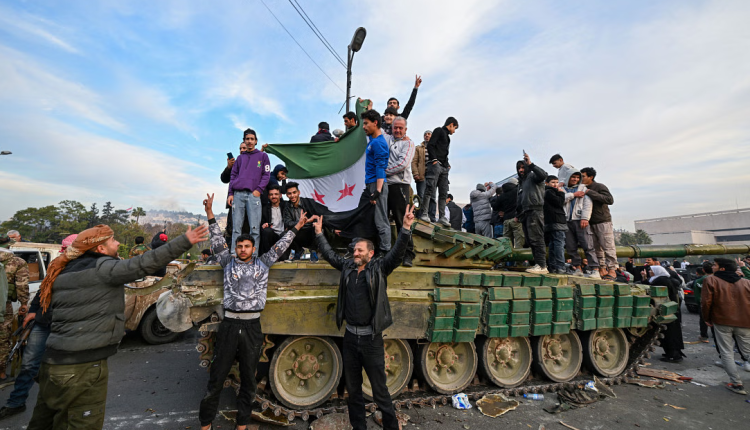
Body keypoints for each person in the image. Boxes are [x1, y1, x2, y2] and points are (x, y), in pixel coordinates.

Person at [26, 223, 206, 429]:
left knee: (43, 423)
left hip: (52, 364)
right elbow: (144, 263)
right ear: (100, 248)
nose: (118, 243)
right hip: (82, 367)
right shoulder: (102, 268)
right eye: (112, 240)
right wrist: (185, 241)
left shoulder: (64, 271)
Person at [198, 194, 307, 430]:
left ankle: (242, 425)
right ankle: (205, 424)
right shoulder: (227, 262)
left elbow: (281, 245)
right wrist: (210, 213)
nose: (243, 249)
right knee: (217, 377)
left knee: (249, 379)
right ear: (235, 248)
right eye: (239, 246)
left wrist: (297, 226)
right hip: (230, 325)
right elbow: (217, 239)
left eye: (247, 246)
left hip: (252, 326)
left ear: (253, 248)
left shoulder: (263, 263)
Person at [313, 205, 415, 430]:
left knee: (380, 391)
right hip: (350, 338)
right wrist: (319, 233)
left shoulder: (380, 268)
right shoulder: (348, 267)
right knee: (354, 390)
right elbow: (330, 255)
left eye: (360, 250)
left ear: (371, 253)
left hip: (371, 340)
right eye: (355, 250)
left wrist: (406, 228)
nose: (355, 253)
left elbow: (397, 254)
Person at [0, 234, 68, 420]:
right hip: (43, 320)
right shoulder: (56, 266)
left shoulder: (91, 270)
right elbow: (42, 290)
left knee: (61, 367)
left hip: (66, 325)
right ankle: (16, 401)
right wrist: (32, 310)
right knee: (29, 363)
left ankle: (59, 405)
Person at [702, 258, 750, 395]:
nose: (713, 267)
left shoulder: (711, 280)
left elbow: (706, 302)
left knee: (727, 352)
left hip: (722, 320)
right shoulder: (746, 282)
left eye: (715, 265)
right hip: (744, 321)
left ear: (722, 268)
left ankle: (736, 384)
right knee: (747, 352)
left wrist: (707, 318)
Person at [229, 128, 271, 252]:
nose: (249, 141)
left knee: (255, 229)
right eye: (247, 139)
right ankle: (234, 253)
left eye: (252, 139)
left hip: (254, 195)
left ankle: (253, 255)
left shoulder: (263, 156)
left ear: (256, 141)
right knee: (236, 228)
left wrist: (258, 190)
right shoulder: (239, 158)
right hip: (238, 194)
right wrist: (231, 193)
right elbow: (233, 176)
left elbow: (266, 175)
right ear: (244, 141)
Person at [385, 116, 416, 266]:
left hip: (400, 185)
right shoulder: (387, 139)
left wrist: (382, 172)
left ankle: (407, 254)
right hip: (385, 185)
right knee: (382, 218)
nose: (397, 130)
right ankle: (383, 251)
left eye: (400, 128)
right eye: (395, 127)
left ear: (405, 129)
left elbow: (402, 164)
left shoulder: (408, 143)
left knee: (402, 220)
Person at [640, 265, 685, 363]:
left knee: (670, 334)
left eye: (651, 270)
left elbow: (650, 288)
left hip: (667, 311)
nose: (650, 272)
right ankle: (671, 353)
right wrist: (644, 278)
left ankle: (674, 355)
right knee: (669, 333)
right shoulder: (662, 279)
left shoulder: (661, 280)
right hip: (669, 310)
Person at [0, 234, 29, 382]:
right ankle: (1, 373)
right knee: (3, 339)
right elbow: (21, 285)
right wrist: (24, 303)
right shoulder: (17, 262)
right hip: (4, 306)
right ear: (9, 244)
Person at [420, 117, 459, 227]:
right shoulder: (439, 130)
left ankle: (442, 217)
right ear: (451, 124)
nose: (454, 131)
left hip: (444, 167)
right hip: (435, 165)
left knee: (443, 192)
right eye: (454, 128)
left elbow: (444, 152)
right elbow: (431, 145)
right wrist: (434, 160)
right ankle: (424, 214)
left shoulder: (447, 138)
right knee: (429, 189)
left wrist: (447, 164)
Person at [361, 109, 391, 255]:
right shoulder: (372, 140)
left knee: (381, 220)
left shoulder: (379, 143)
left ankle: (385, 252)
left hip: (377, 185)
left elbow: (381, 167)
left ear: (375, 123)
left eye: (366, 123)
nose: (363, 127)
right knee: (370, 220)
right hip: (370, 184)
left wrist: (378, 191)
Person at [580, 167, 617, 280]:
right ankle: (602, 268)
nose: (581, 178)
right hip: (589, 222)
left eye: (583, 176)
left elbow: (609, 200)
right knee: (596, 248)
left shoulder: (599, 186)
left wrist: (590, 193)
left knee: (608, 246)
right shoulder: (581, 188)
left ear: (590, 177)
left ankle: (612, 269)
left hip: (602, 221)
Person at [562, 170, 600, 278]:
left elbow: (588, 204)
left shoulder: (583, 188)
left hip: (580, 220)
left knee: (588, 245)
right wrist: (573, 195)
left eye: (577, 177)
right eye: (573, 177)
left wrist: (585, 218)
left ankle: (595, 269)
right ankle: (577, 268)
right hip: (566, 221)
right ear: (568, 177)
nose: (575, 179)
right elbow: (560, 200)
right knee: (570, 246)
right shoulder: (562, 189)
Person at [516, 152, 548, 274]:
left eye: (523, 167)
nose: (521, 170)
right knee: (531, 240)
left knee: (537, 239)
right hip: (526, 212)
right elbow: (520, 199)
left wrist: (531, 164)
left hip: (535, 210)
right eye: (519, 168)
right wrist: (518, 213)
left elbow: (543, 175)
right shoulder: (522, 182)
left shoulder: (533, 177)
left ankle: (542, 265)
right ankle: (538, 264)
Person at [221, 142, 250, 241]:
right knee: (232, 231)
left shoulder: (255, 164)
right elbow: (224, 179)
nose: (242, 150)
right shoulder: (236, 164)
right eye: (240, 148)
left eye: (244, 148)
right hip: (234, 203)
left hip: (249, 204)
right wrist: (229, 167)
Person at [282, 182, 317, 259]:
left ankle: (314, 252)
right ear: (287, 195)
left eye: (294, 192)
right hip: (297, 233)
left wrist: (307, 222)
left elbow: (316, 218)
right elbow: (288, 223)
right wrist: (301, 222)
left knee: (317, 227)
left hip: (309, 232)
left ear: (299, 192)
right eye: (289, 193)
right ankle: (299, 251)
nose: (292, 195)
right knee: (284, 234)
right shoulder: (287, 206)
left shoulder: (308, 202)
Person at [543, 176, 567, 274]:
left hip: (550, 221)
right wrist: (561, 193)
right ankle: (560, 266)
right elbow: (559, 202)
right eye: (553, 182)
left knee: (553, 244)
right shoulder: (549, 192)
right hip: (557, 220)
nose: (555, 184)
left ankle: (552, 266)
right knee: (559, 244)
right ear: (546, 183)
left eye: (557, 182)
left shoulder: (546, 192)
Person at [260, 185, 292, 260]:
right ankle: (267, 257)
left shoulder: (286, 206)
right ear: (268, 196)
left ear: (280, 195)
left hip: (283, 235)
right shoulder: (264, 209)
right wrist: (264, 225)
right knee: (267, 231)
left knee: (288, 233)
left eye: (276, 194)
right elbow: (260, 223)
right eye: (271, 194)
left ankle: (285, 257)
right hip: (272, 236)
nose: (273, 196)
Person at [496, 181, 524, 248]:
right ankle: (518, 253)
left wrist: (502, 210)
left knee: (506, 240)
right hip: (516, 218)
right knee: (519, 239)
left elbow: (495, 206)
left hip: (506, 219)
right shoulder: (516, 191)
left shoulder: (502, 196)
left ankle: (508, 253)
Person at [693, 263, 712, 342]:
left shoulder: (699, 281)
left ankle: (704, 336)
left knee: (703, 320)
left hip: (703, 304)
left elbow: (697, 295)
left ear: (703, 270)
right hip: (716, 304)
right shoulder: (718, 279)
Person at [411, 130, 430, 206]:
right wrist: (415, 173)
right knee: (421, 195)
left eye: (429, 134)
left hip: (432, 175)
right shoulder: (418, 148)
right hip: (421, 175)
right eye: (425, 134)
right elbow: (414, 162)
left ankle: (430, 212)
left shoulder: (436, 148)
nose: (427, 135)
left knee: (431, 196)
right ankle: (420, 212)